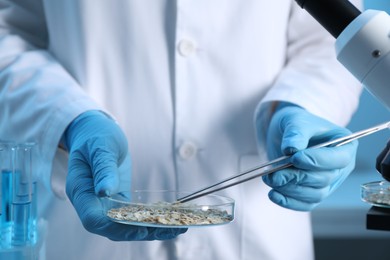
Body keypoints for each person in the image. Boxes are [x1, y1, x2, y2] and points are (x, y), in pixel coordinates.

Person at [0, 1, 362, 259]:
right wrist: (71, 121)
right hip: (86, 239)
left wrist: (297, 107)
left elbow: (329, 39)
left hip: (259, 232)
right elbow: (7, 33)